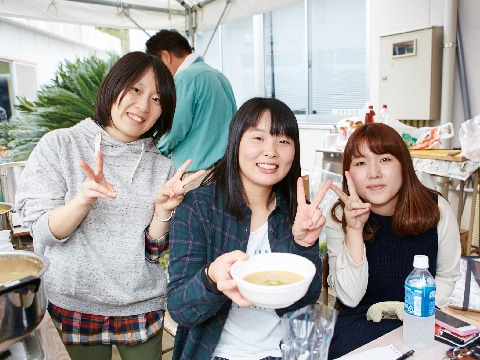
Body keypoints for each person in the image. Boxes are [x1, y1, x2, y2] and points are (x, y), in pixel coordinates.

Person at [15, 51, 205, 360]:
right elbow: (43, 233)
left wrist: (163, 210)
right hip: (74, 303)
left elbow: (154, 252)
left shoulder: (162, 167)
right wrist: (83, 199)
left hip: (141, 305)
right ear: (113, 86)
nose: (144, 106)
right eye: (136, 89)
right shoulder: (61, 144)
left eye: (157, 99)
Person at [166, 97, 333, 360]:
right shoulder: (198, 208)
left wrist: (304, 244)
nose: (271, 151)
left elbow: (305, 303)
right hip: (218, 353)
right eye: (258, 138)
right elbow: (180, 309)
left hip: (284, 351)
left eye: (283, 141)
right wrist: (210, 278)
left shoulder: (298, 212)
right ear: (236, 143)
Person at [325, 123, 461, 359]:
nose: (374, 173)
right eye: (360, 163)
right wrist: (354, 230)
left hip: (422, 320)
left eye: (385, 159)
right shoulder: (338, 216)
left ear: (403, 165)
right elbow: (350, 297)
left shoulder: (436, 209)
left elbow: (448, 277)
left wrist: (413, 314)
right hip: (360, 322)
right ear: (348, 174)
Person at [145, 29, 237, 190]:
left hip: (196, 178)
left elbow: (171, 131)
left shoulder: (185, 79)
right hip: (227, 172)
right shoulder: (219, 76)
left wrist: (148, 151)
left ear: (166, 57)